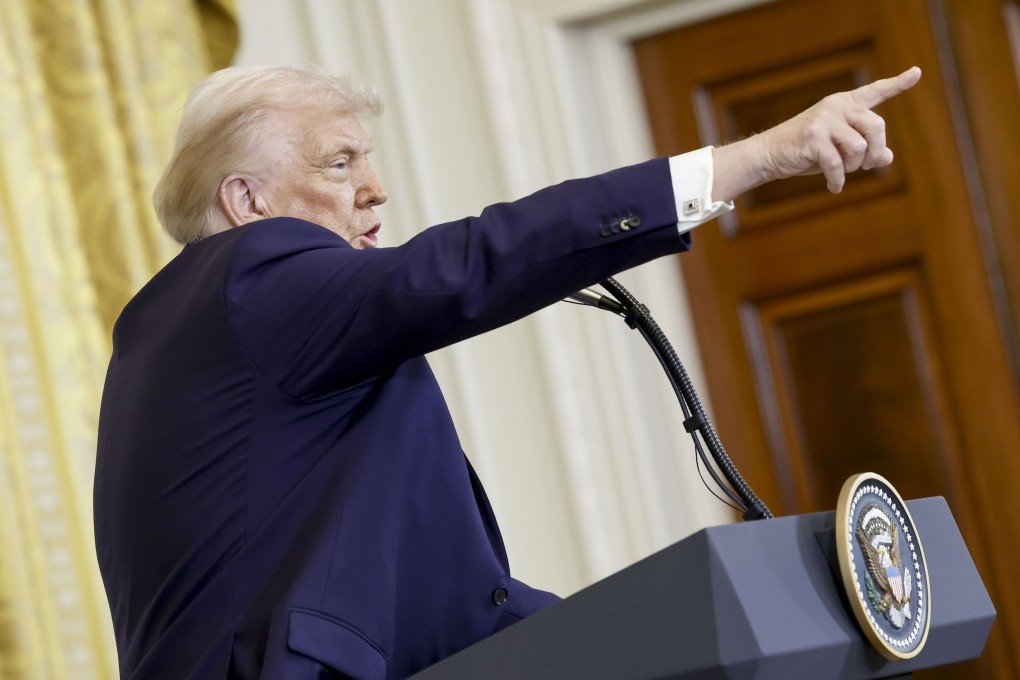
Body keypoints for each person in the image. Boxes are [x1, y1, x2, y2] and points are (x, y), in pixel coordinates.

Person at [93, 64, 921, 679]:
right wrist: (758, 158)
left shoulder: (212, 333)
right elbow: (471, 262)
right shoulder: (250, 276)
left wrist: (625, 644)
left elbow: (427, 598)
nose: (376, 190)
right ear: (247, 202)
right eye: (339, 164)